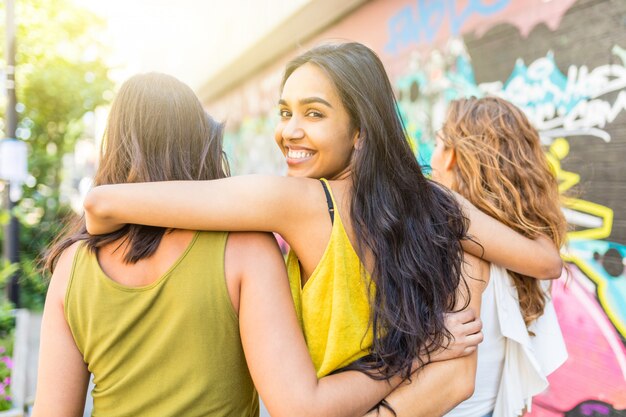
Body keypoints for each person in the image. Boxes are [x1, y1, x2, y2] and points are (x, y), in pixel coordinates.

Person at [84, 43, 562, 415]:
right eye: (285, 112)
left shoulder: (297, 201)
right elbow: (463, 371)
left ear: (360, 130)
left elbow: (104, 203)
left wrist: (100, 212)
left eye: (314, 114)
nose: (289, 131)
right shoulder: (438, 206)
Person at [32, 73, 481, 417]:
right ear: (199, 142)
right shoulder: (245, 247)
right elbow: (300, 405)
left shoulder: (73, 264)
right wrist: (413, 354)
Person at [432, 97, 568, 417]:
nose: (432, 157)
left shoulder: (455, 242)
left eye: (437, 143)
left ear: (452, 155)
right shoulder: (523, 248)